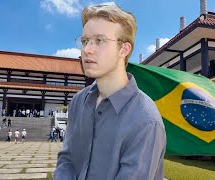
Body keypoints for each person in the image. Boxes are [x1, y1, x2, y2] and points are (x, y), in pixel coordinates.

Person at [54, 5, 166, 180]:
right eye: (85, 41)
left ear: (124, 49)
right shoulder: (78, 102)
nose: (87, 50)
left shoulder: (146, 121)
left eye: (99, 40)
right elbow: (67, 159)